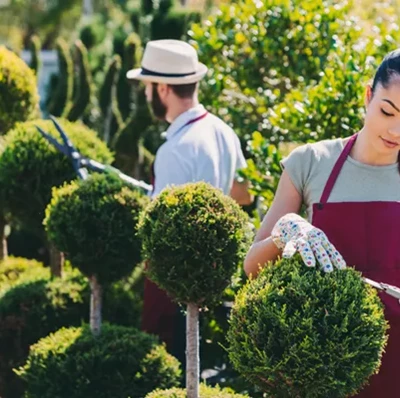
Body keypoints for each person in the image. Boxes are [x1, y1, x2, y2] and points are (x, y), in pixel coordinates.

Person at [244, 48, 400, 397]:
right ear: (367, 96)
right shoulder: (311, 163)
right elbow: (252, 267)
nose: (396, 130)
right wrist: (288, 229)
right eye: (387, 111)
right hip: (321, 368)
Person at [127, 39, 253, 363]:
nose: (145, 94)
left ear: (164, 89)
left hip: (173, 282)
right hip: (216, 275)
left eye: (148, 86)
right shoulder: (223, 131)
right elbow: (244, 194)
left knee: (167, 362)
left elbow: (158, 235)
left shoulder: (176, 148)